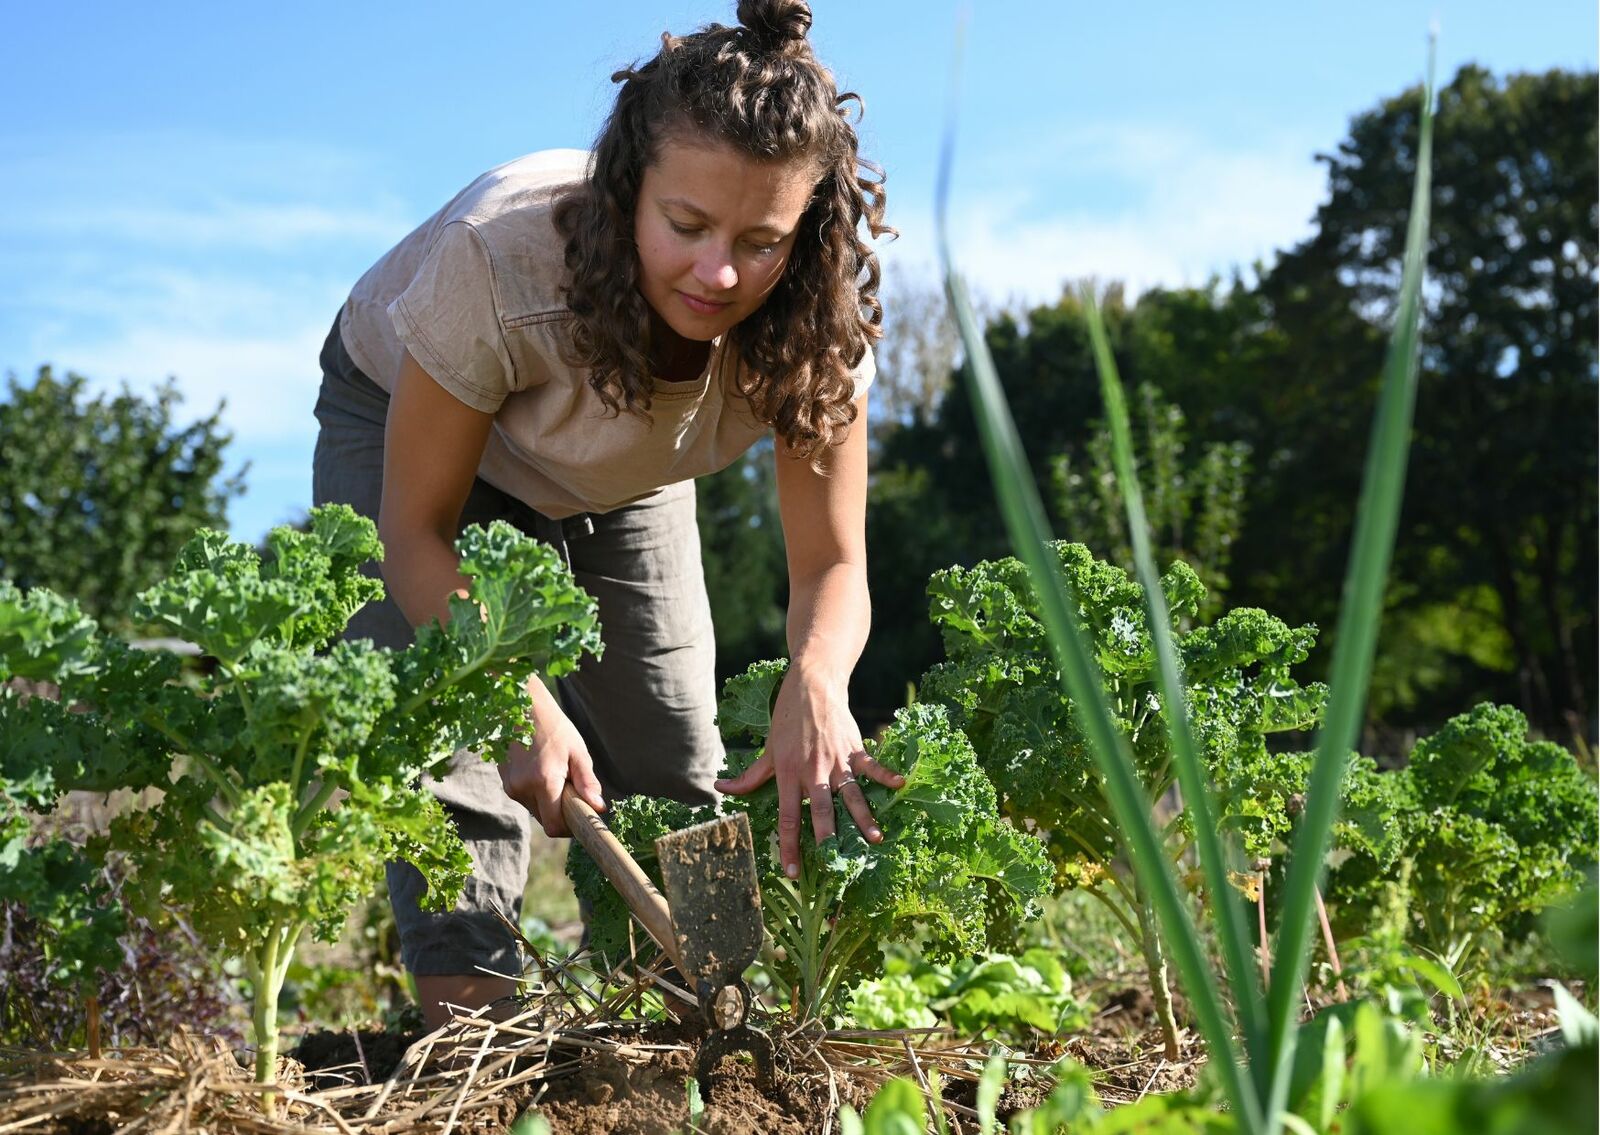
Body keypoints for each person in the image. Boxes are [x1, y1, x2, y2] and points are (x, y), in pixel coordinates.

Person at [311, 0, 901, 1028]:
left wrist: (818, 679)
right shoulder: (496, 265)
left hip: (620, 468)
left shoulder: (812, 332)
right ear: (629, 189)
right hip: (421, 441)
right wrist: (514, 691)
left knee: (674, 759)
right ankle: (471, 1052)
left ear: (805, 233)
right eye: (685, 226)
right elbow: (416, 537)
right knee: (461, 769)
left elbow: (831, 568)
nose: (718, 273)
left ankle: (684, 1036)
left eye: (759, 241)